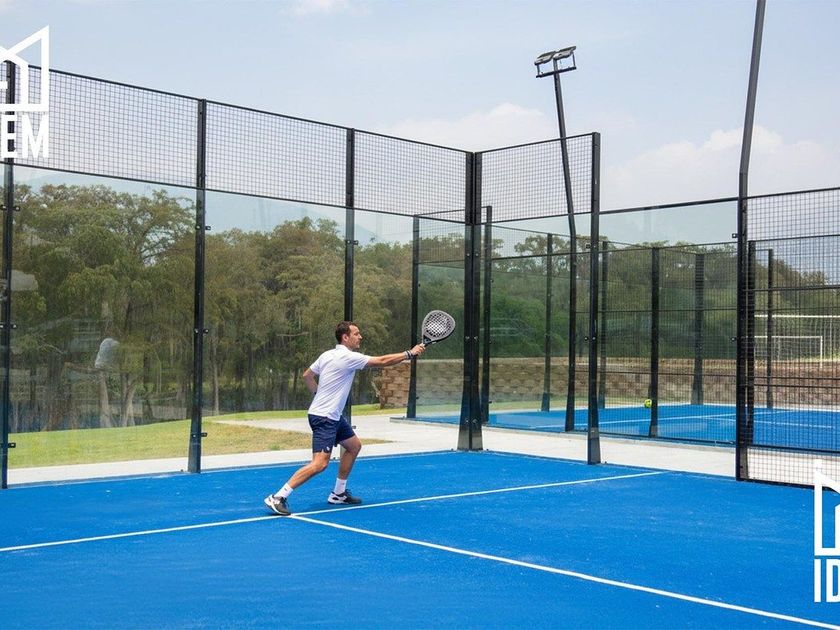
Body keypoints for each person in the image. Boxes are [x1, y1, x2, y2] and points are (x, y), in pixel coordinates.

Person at [264, 321, 425, 516]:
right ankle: (278, 497)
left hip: (330, 415)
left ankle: (338, 493)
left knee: (354, 446)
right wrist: (410, 353)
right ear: (345, 337)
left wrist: (318, 395)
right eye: (356, 334)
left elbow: (307, 376)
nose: (360, 337)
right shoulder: (348, 357)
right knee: (320, 463)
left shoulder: (327, 355)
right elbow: (382, 361)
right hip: (324, 417)